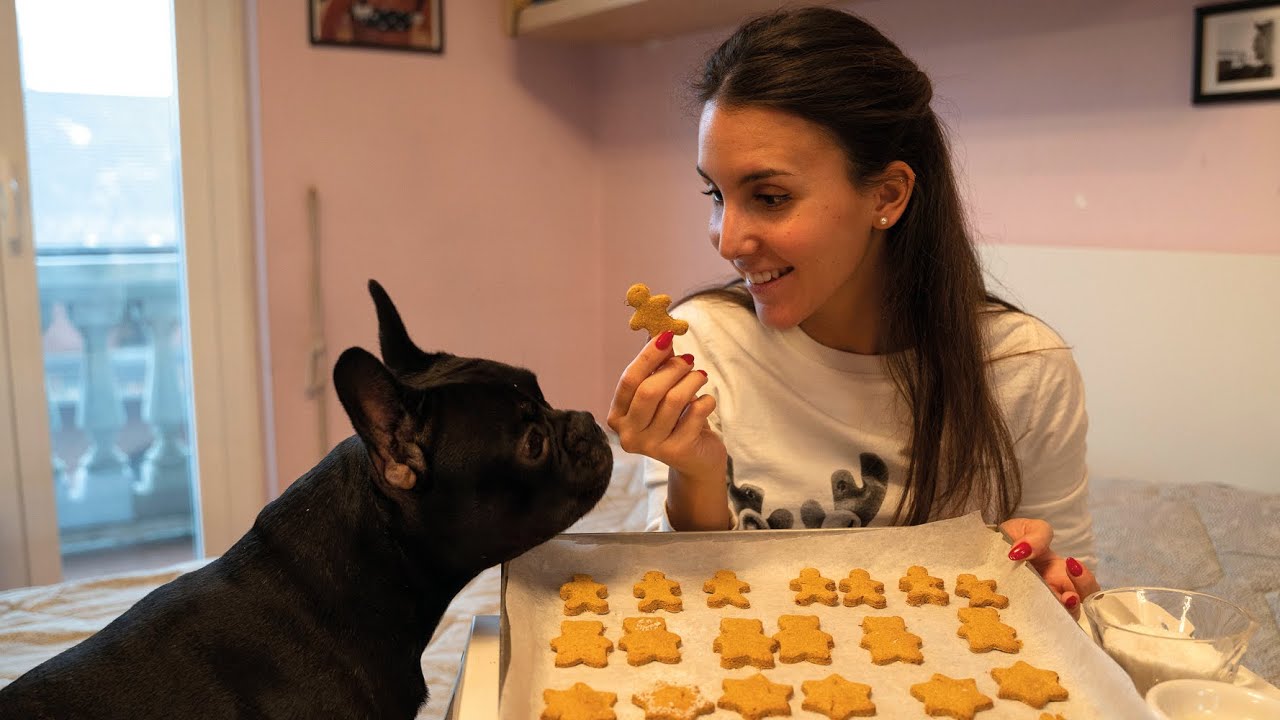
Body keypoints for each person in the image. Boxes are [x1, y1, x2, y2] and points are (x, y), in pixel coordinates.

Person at [607, 6, 1100, 617]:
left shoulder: (1024, 368)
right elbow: (679, 606)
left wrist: (1052, 581)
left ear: (887, 195)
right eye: (716, 194)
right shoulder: (703, 345)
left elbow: (1078, 595)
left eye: (770, 197)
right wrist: (697, 475)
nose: (727, 240)